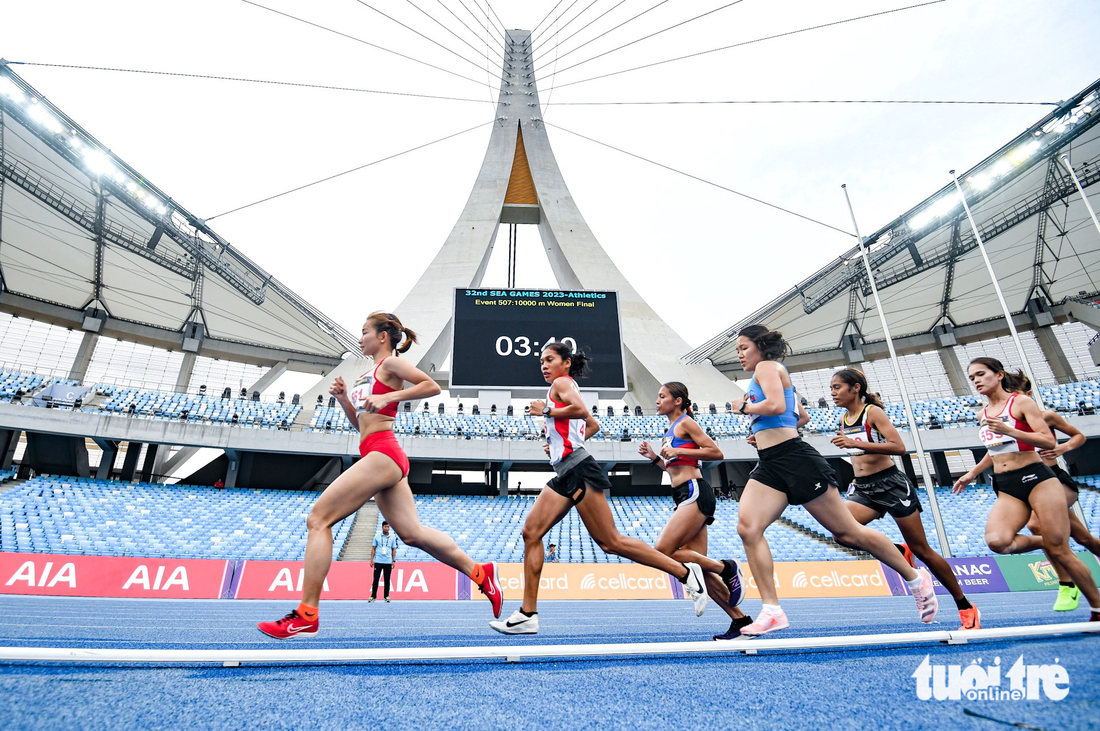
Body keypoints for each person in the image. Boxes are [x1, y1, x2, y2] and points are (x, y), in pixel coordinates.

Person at [258, 312, 504, 639]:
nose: (360, 338)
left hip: (384, 452)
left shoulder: (391, 365)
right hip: (379, 452)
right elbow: (360, 425)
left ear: (383, 336)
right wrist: (345, 400)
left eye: (364, 332)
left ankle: (306, 614)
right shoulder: (369, 373)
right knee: (412, 534)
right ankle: (480, 572)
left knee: (318, 519)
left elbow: (431, 387)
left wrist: (389, 396)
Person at [490, 342, 709, 635]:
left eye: (550, 359)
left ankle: (686, 574)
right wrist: (559, 443)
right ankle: (528, 614)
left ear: (566, 363)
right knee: (531, 532)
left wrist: (548, 410)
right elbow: (590, 424)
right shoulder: (563, 385)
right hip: (565, 471)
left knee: (610, 542)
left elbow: (581, 411)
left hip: (579, 470)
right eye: (541, 361)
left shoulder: (562, 383)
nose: (544, 365)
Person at [732, 324, 937, 636]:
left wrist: (745, 408)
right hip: (771, 462)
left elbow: (776, 406)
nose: (740, 354)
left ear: (760, 347)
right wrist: (760, 432)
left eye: (743, 347)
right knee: (748, 528)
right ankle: (772, 610)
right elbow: (799, 416)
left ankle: (914, 577)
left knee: (848, 532)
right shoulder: (763, 375)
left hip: (796, 460)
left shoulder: (767, 367)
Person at [829, 368, 980, 630]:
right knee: (840, 533)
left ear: (855, 388)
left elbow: (898, 447)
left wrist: (857, 445)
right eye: (831, 388)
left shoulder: (872, 413)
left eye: (837, 387)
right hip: (864, 489)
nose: (832, 393)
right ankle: (898, 551)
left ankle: (965, 605)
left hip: (891, 485)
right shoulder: (844, 418)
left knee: (923, 550)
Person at [952, 358, 1100, 622]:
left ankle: (1096, 608)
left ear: (998, 375)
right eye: (971, 377)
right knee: (998, 541)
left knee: (1063, 549)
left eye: (980, 374)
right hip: (1006, 485)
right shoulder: (982, 414)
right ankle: (1052, 542)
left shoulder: (1021, 403)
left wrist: (1012, 430)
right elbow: (995, 449)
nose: (975, 380)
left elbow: (1046, 439)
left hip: (1038, 479)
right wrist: (972, 473)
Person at [638, 381, 751, 641]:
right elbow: (673, 468)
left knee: (663, 551)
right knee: (700, 569)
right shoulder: (670, 429)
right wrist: (655, 458)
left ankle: (727, 567)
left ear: (677, 401)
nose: (657, 400)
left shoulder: (686, 423)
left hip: (694, 491)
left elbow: (716, 452)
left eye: (662, 396)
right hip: (681, 493)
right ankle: (741, 622)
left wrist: (675, 449)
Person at [369, 520, 398, 603]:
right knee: (376, 579)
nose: (387, 528)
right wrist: (372, 560)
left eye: (388, 527)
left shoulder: (392, 537)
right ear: (382, 527)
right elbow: (373, 549)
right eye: (385, 526)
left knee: (387, 579)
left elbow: (393, 549)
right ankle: (373, 596)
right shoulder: (377, 536)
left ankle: (387, 596)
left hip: (388, 561)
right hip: (378, 561)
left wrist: (393, 560)